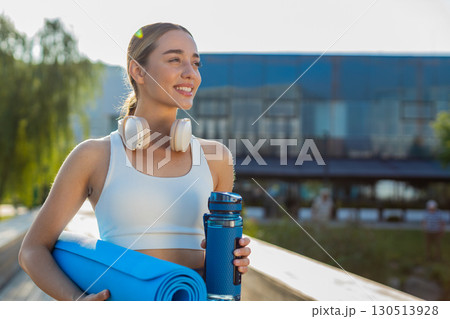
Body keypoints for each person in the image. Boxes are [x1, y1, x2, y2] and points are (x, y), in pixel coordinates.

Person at [18, 23, 251, 301]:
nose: (191, 73)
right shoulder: (94, 156)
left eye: (196, 63)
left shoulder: (216, 159)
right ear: (137, 71)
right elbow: (32, 250)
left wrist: (235, 259)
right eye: (175, 59)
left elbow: (220, 262)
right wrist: (77, 302)